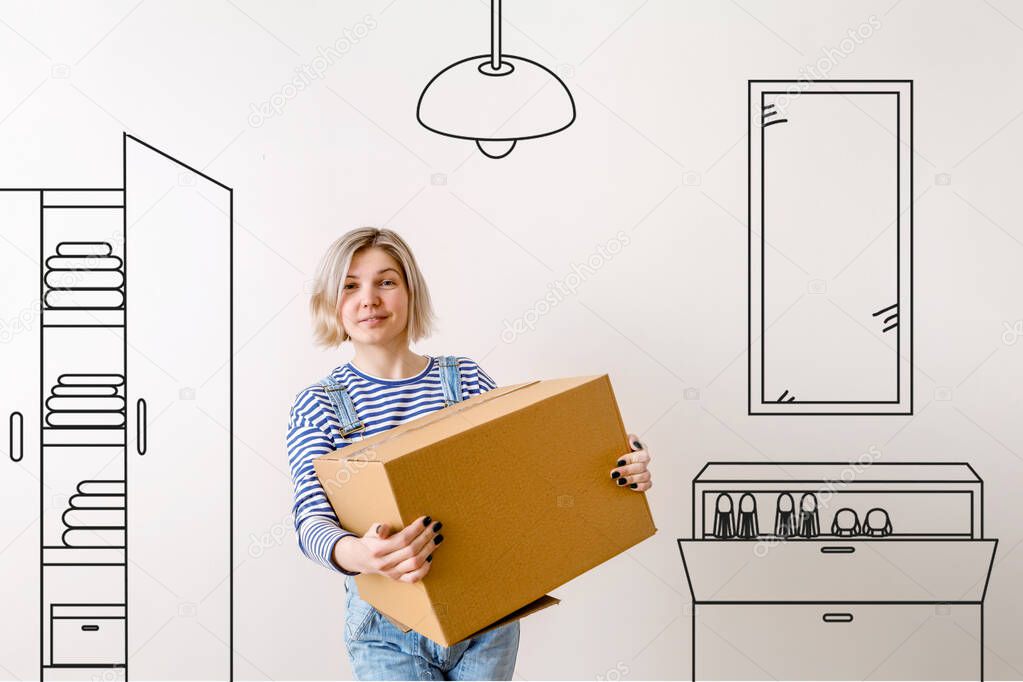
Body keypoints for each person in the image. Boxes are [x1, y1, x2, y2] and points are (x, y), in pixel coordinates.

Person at [286, 227, 653, 680]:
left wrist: (613, 465)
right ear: (330, 302)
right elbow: (310, 521)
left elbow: (527, 472)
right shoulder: (319, 405)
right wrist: (362, 554)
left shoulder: (463, 380)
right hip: (385, 625)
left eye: (386, 281)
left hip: (487, 615)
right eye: (350, 285)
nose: (369, 299)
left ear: (410, 291)